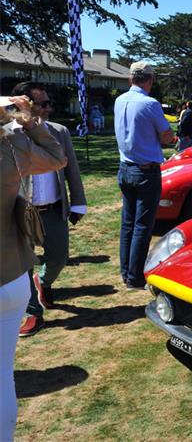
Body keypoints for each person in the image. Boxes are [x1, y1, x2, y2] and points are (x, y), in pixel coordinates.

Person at [1, 94, 67, 440]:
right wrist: (27, 119)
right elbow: (57, 157)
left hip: (13, 276)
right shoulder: (11, 145)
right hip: (10, 274)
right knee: (2, 377)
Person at [10, 83, 87, 337]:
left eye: (48, 102)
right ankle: (34, 314)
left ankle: (43, 283)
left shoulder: (59, 132)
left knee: (58, 257)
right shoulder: (10, 134)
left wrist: (78, 201)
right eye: (43, 104)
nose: (49, 108)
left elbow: (72, 170)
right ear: (26, 105)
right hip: (20, 211)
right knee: (24, 264)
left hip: (54, 209)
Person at [114, 61, 174, 289]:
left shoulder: (119, 101)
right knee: (142, 226)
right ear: (149, 80)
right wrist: (167, 136)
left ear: (131, 79)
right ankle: (135, 276)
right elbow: (167, 136)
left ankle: (126, 271)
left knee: (127, 224)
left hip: (125, 167)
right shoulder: (150, 104)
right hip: (145, 170)